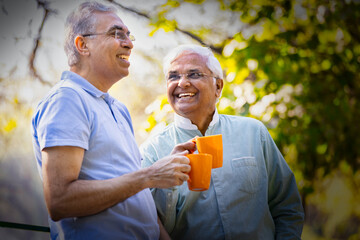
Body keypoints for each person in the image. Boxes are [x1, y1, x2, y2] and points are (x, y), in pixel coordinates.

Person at [31, 2, 194, 240]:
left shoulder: (117, 109)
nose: (129, 43)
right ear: (82, 45)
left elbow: (135, 196)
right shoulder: (67, 99)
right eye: (117, 34)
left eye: (129, 35)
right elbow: (60, 200)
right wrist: (149, 176)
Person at [140, 44, 305, 240]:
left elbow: (287, 206)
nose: (182, 83)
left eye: (194, 74)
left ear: (218, 87)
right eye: (173, 76)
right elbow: (148, 224)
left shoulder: (253, 132)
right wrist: (167, 180)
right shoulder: (152, 150)